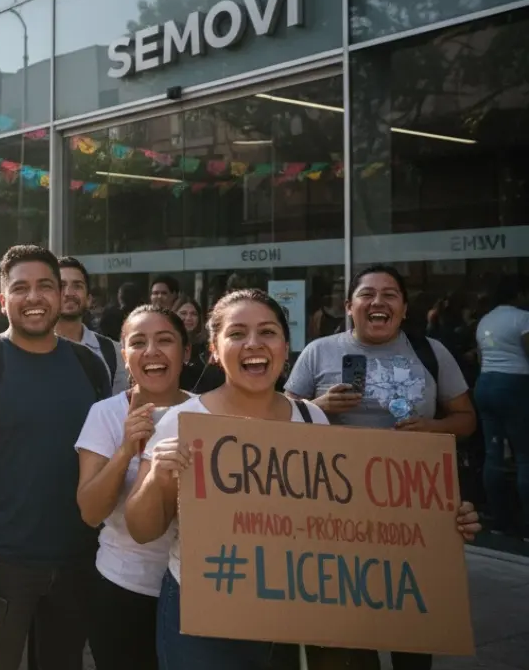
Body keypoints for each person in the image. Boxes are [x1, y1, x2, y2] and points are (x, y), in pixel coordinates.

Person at [126, 289, 481, 669]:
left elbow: (355, 519)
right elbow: (142, 529)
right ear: (214, 349)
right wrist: (159, 478)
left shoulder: (312, 419)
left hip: (291, 612)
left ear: (285, 346)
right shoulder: (182, 422)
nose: (253, 344)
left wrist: (440, 520)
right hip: (203, 611)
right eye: (236, 334)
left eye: (267, 332)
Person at [0, 245, 110, 670]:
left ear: (63, 296)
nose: (34, 297)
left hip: (76, 558)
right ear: (2, 299)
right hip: (1, 561)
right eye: (21, 288)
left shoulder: (90, 365)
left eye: (45, 286)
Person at [76, 305, 192, 670]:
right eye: (138, 343)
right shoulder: (105, 414)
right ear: (125, 356)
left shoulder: (208, 414)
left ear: (186, 352)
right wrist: (127, 448)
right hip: (122, 588)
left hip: (195, 590)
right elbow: (90, 512)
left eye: (165, 340)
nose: (152, 352)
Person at [285, 264, 476, 438]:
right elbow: (282, 417)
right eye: (367, 294)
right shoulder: (317, 351)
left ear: (404, 309)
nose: (378, 302)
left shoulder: (432, 352)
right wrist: (318, 407)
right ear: (349, 307)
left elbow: (466, 420)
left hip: (410, 472)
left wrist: (433, 427)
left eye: (390, 295)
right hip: (337, 471)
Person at [473, 276, 529, 538]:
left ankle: (499, 521)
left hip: (485, 384)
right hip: (515, 384)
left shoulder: (486, 320)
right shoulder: (522, 318)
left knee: (493, 453)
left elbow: (482, 357)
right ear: (518, 294)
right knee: (524, 454)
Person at [57, 257, 128, 395]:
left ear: (89, 299)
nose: (69, 293)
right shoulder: (31, 351)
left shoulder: (113, 352)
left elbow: (119, 410)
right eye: (61, 286)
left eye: (77, 286)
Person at [174, 295, 223, 393]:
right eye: (183, 313)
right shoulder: (167, 346)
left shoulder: (207, 348)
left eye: (193, 314)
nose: (188, 318)